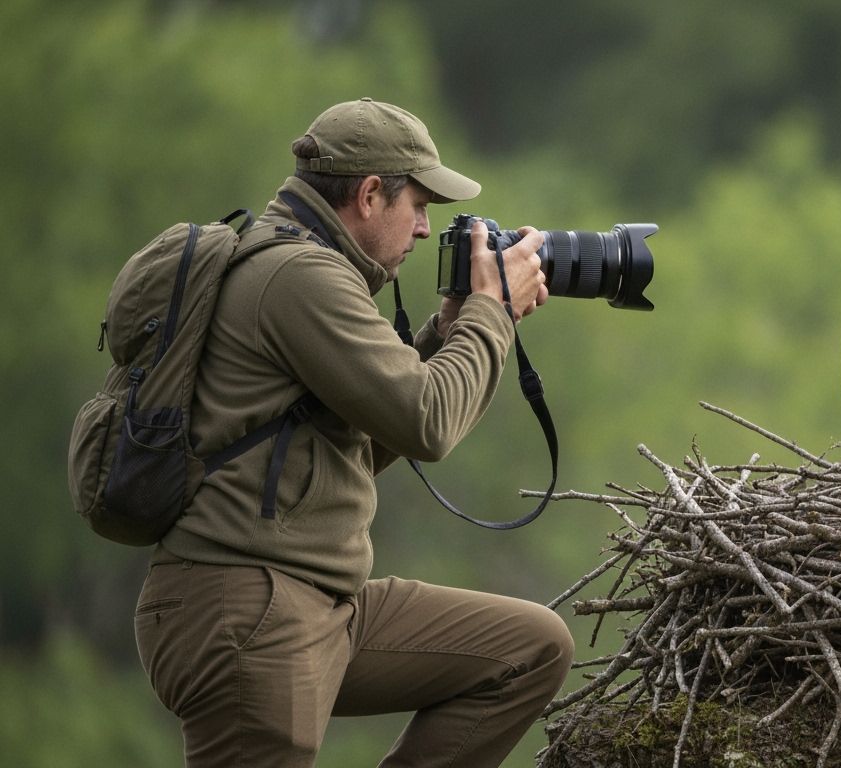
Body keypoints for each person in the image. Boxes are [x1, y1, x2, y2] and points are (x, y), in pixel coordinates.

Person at [132, 97, 573, 767]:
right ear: (370, 195)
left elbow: (357, 446)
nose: (426, 229)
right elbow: (428, 421)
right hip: (246, 605)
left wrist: (449, 329)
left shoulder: (306, 268)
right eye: (419, 205)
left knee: (528, 649)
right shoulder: (297, 276)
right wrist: (492, 311)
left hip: (318, 603)